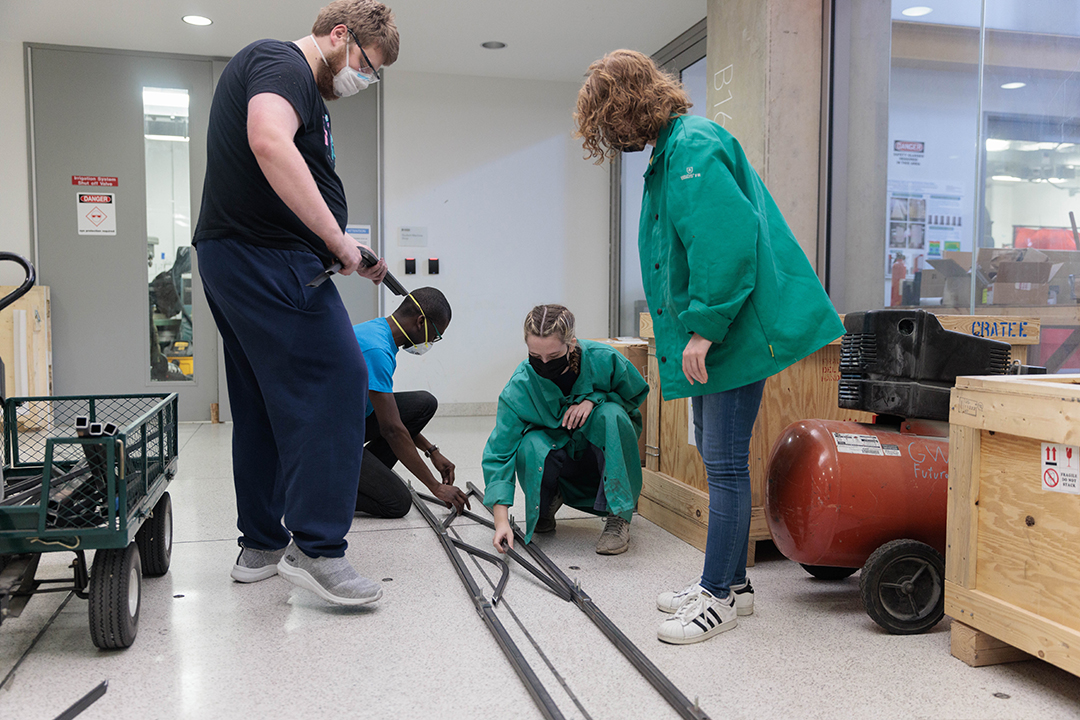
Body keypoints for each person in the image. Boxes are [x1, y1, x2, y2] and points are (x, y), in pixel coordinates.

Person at [575, 50, 845, 643]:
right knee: (719, 462)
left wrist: (705, 328)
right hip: (722, 332)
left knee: (723, 466)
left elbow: (725, 243)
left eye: (608, 121)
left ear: (627, 107)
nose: (611, 136)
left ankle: (718, 596)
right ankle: (732, 585)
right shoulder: (673, 152)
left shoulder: (693, 148)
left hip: (732, 334)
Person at [191, 0, 398, 606]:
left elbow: (284, 179)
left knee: (261, 398)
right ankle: (317, 550)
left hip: (244, 255)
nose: (364, 80)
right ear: (339, 36)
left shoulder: (298, 86)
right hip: (266, 258)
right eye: (366, 66)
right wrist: (335, 238)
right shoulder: (282, 63)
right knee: (340, 378)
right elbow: (267, 140)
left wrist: (338, 247)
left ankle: (260, 545)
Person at [483, 305, 649, 556]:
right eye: (535, 356)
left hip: (601, 456)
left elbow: (634, 397)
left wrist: (596, 398)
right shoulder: (521, 385)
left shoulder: (604, 359)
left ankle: (619, 516)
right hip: (560, 457)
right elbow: (499, 453)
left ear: (571, 344)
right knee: (530, 443)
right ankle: (548, 499)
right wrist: (501, 522)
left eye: (553, 355)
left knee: (611, 415)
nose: (544, 364)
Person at [351, 287, 470, 517]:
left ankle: (361, 473)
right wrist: (435, 486)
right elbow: (392, 429)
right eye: (435, 335)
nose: (432, 341)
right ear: (421, 322)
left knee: (424, 404)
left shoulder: (379, 331)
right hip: (327, 438)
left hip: (348, 421)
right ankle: (314, 488)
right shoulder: (376, 350)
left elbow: (389, 415)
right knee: (397, 502)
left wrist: (431, 450)